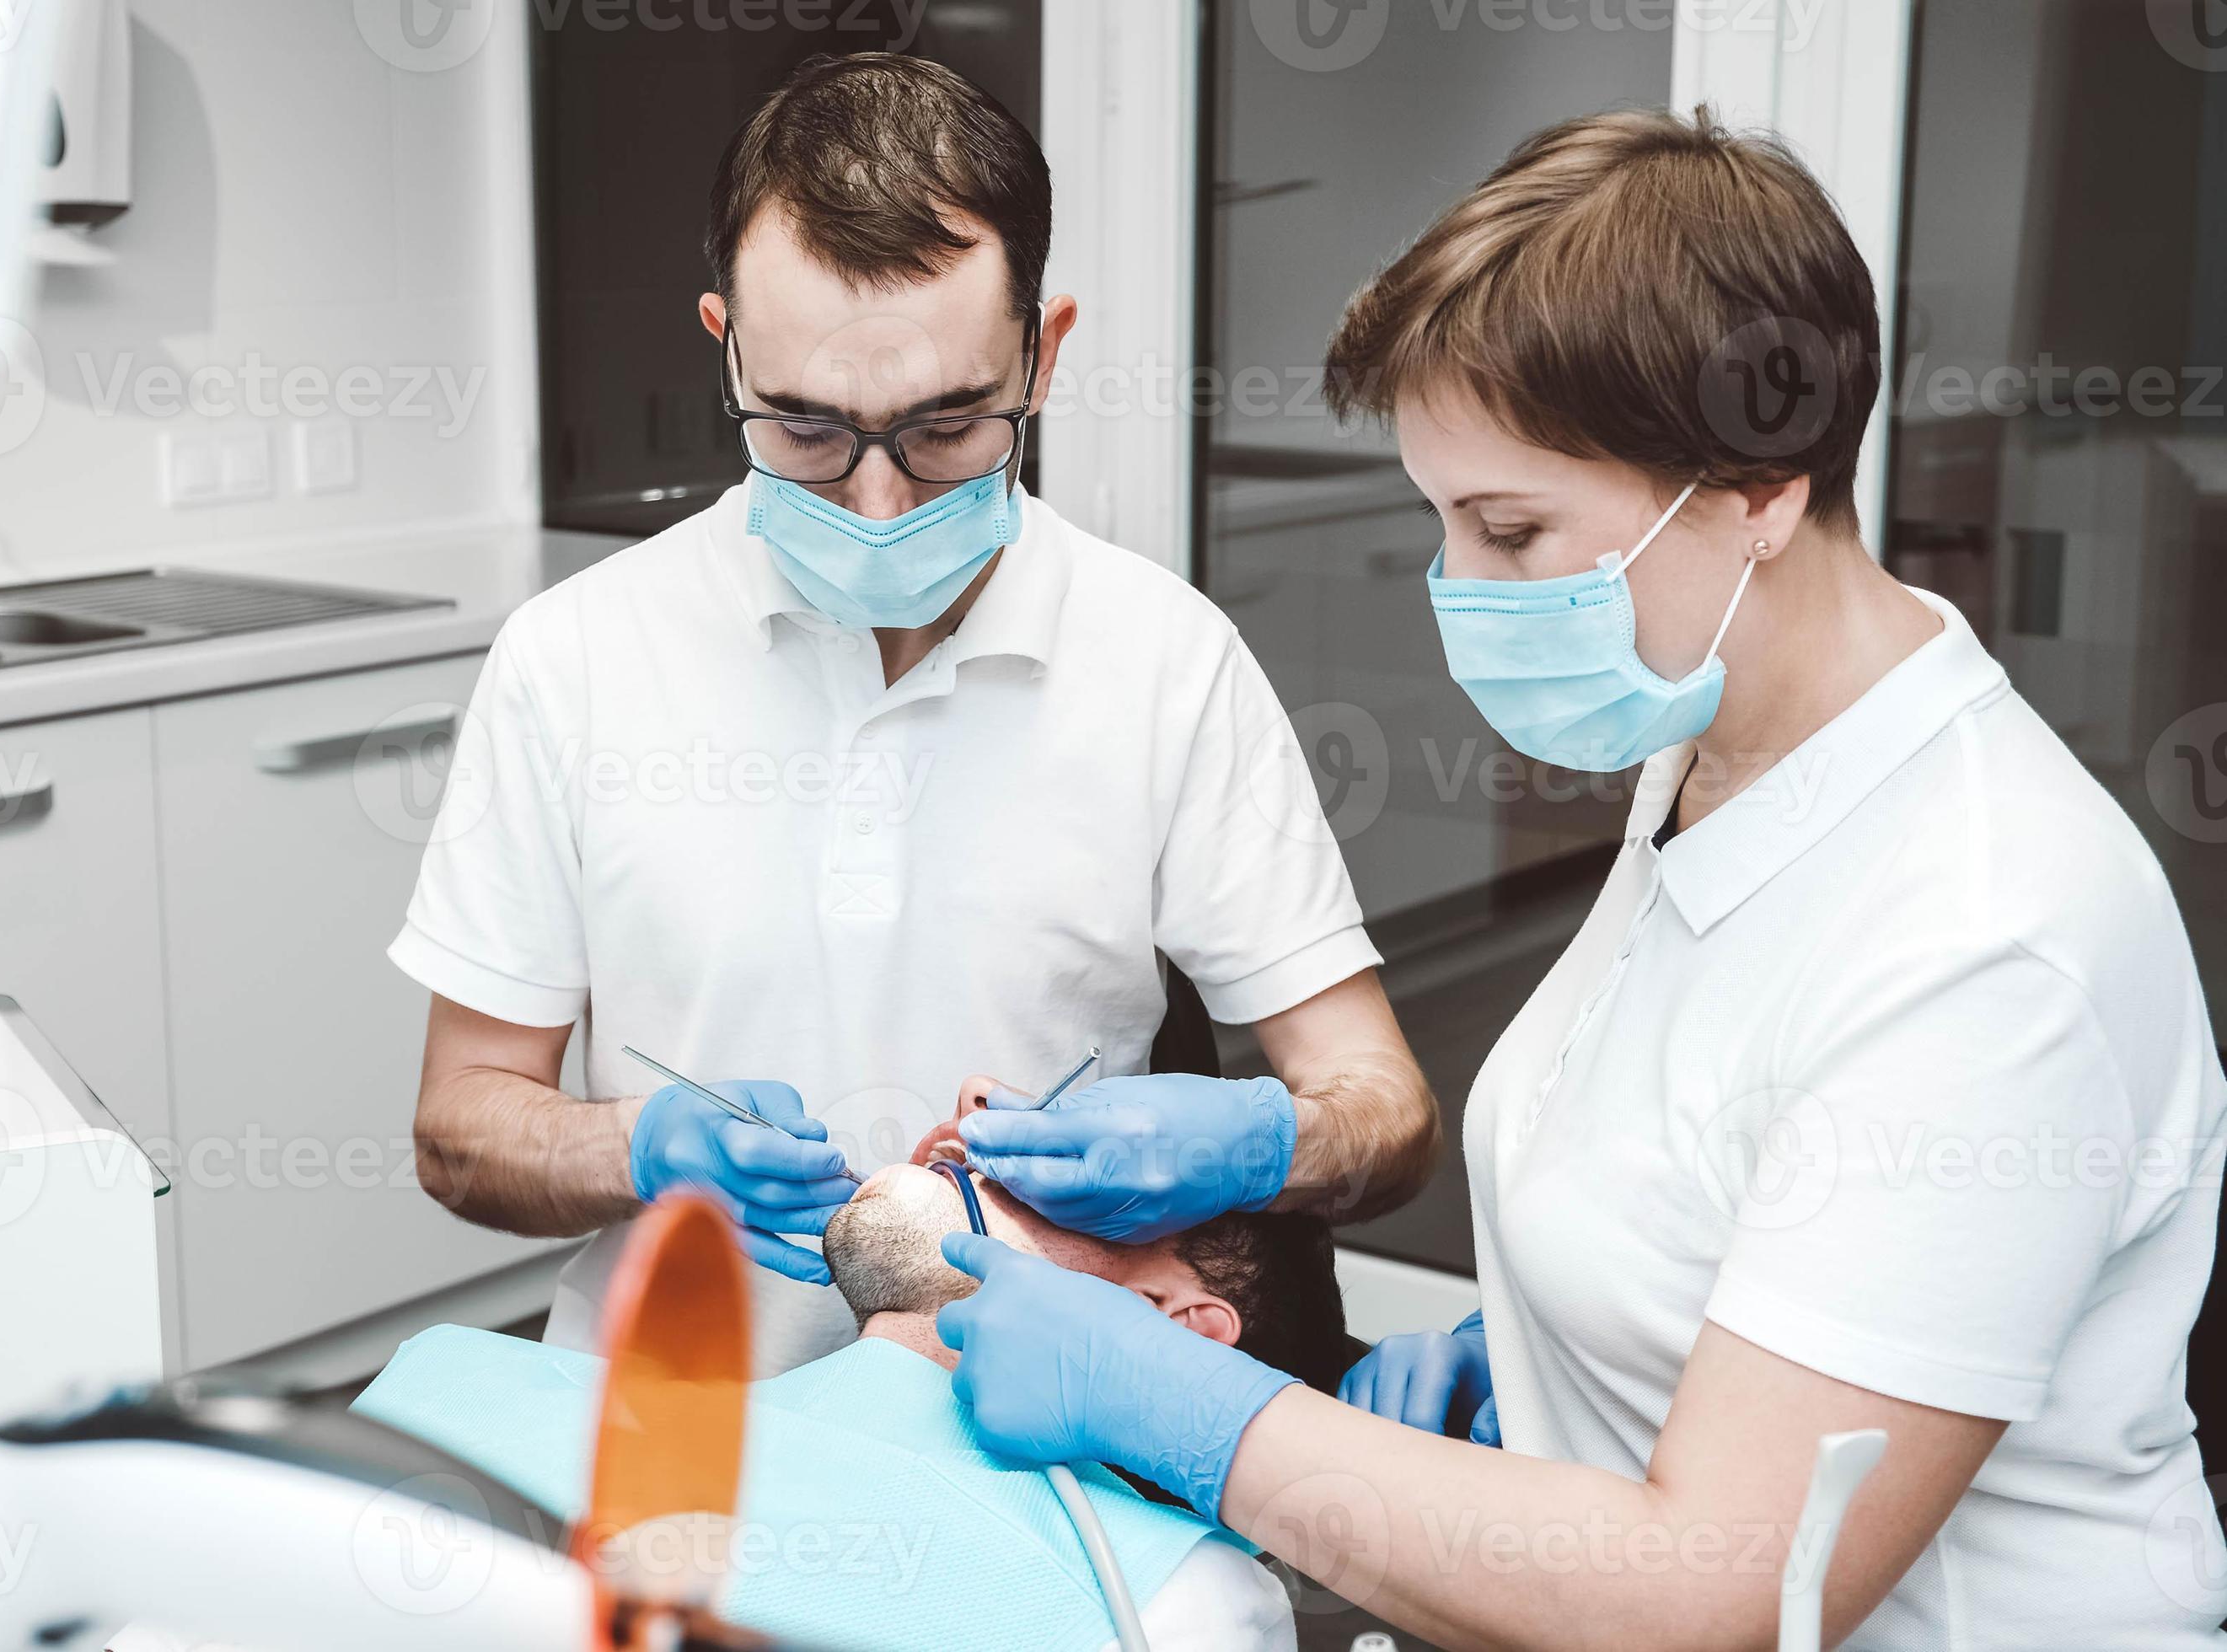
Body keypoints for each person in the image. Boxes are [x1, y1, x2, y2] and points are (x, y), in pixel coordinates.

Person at [927, 106, 2227, 1649]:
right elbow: (1722, 1189)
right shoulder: (1714, 760)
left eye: (1513, 529)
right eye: (1443, 523)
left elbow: (1726, 1597)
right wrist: (1548, 1362)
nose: (1459, 591)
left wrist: (1194, 1416)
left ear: (1760, 483)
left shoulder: (1988, 935)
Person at [393, 51, 1436, 1377]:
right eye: (809, 432)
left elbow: (1385, 1108)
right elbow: (460, 1129)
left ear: (1042, 356)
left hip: (1032, 1434)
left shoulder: (1166, 660)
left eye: (946, 429)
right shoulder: (574, 658)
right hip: (672, 1426)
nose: (878, 502)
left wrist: (1260, 1141)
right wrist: (633, 1147)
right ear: (727, 350)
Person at [351, 1166, 1366, 1652]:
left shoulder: (1171, 1601)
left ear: (1175, 1331)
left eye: (1088, 1182)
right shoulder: (452, 1373)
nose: (971, 1127)